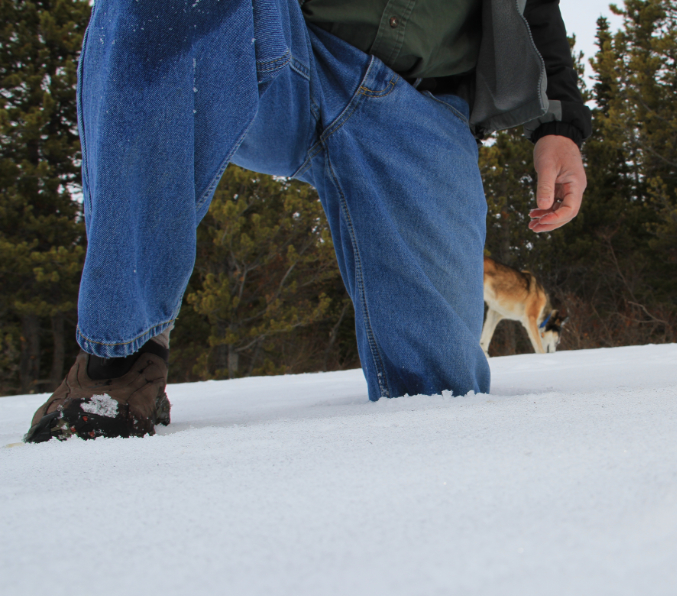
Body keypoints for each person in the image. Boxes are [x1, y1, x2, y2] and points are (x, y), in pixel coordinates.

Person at [25, 0, 592, 442]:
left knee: (442, 395)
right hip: (277, 41)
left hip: (418, 102)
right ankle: (122, 359)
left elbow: (535, 7)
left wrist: (559, 123)